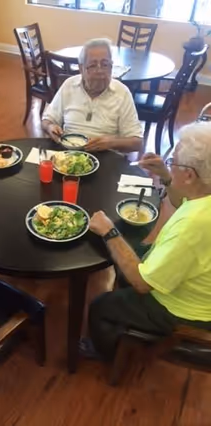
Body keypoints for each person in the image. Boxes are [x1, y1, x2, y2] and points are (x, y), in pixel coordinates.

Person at [86, 121, 211, 361]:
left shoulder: (193, 227)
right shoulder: (203, 193)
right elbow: (180, 202)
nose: (170, 164)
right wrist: (166, 176)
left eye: (173, 162)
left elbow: (143, 284)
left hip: (183, 308)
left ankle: (102, 352)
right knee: (128, 251)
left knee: (100, 306)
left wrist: (110, 232)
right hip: (190, 278)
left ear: (189, 174)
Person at [41, 38, 142, 153]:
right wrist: (50, 127)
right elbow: (47, 120)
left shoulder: (122, 92)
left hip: (106, 158)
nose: (100, 71)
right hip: (68, 156)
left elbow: (137, 143)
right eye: (93, 66)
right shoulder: (69, 85)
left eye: (105, 65)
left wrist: (111, 143)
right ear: (81, 68)